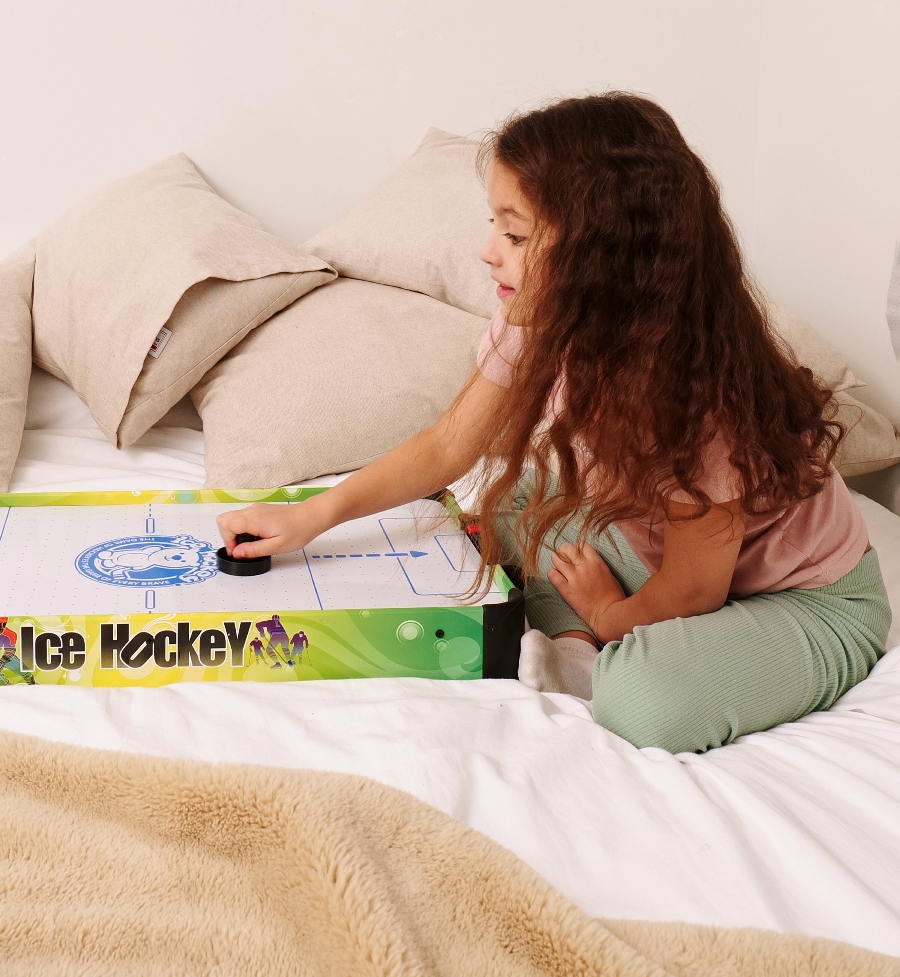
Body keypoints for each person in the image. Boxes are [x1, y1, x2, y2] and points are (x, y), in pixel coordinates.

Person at [219, 94, 890, 753]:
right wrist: (311, 516)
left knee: (642, 703)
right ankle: (575, 652)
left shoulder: (698, 400)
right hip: (669, 562)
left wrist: (607, 612)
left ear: (606, 258)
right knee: (513, 500)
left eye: (515, 235)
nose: (487, 251)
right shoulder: (536, 325)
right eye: (495, 225)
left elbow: (694, 589)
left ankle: (606, 647)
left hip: (801, 601)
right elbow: (449, 445)